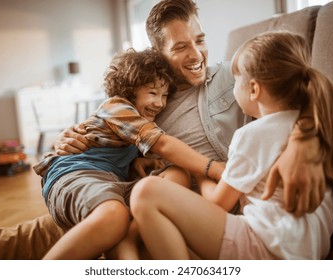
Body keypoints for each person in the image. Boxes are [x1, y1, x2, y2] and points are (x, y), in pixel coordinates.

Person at [0, 0, 325, 260]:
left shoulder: (234, 76)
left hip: (203, 208)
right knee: (17, 241)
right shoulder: (146, 99)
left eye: (199, 40)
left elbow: (308, 86)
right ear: (158, 52)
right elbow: (110, 126)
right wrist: (72, 136)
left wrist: (303, 141)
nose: (197, 54)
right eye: (181, 46)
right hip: (123, 192)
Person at [130, 31, 333, 260]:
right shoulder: (315, 124)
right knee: (158, 243)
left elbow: (218, 204)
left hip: (267, 246)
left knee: (145, 192)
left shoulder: (253, 134)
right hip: (309, 251)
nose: (233, 87)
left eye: (235, 81)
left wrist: (200, 173)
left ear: (254, 89)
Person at [34, 48, 224, 260]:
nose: (160, 103)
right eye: (152, 93)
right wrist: (213, 168)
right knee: (113, 216)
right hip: (76, 173)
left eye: (164, 96)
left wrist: (137, 160)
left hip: (111, 181)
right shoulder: (117, 106)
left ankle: (128, 237)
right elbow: (161, 144)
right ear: (129, 89)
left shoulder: (139, 119)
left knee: (178, 174)